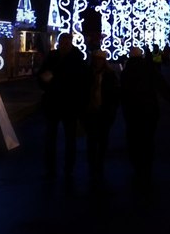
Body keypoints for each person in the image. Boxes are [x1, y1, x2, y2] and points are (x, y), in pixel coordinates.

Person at [120, 45, 170, 190]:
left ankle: (136, 163)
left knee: (134, 137)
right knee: (148, 138)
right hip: (149, 109)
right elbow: (161, 85)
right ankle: (147, 163)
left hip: (132, 110)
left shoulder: (126, 71)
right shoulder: (148, 68)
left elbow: (122, 92)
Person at [36, 32, 86, 179]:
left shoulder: (77, 58)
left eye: (66, 43)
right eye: (62, 43)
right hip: (54, 103)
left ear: (70, 43)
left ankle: (68, 168)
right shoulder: (53, 57)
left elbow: (82, 82)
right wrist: (45, 83)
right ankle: (51, 167)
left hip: (69, 104)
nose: (64, 45)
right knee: (51, 138)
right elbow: (41, 76)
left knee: (69, 139)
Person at [81, 49, 120, 188]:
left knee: (103, 139)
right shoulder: (88, 74)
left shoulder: (110, 75)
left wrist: (112, 110)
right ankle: (92, 164)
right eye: (96, 59)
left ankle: (100, 163)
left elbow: (115, 95)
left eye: (100, 59)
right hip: (91, 111)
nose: (98, 62)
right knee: (91, 139)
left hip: (104, 111)